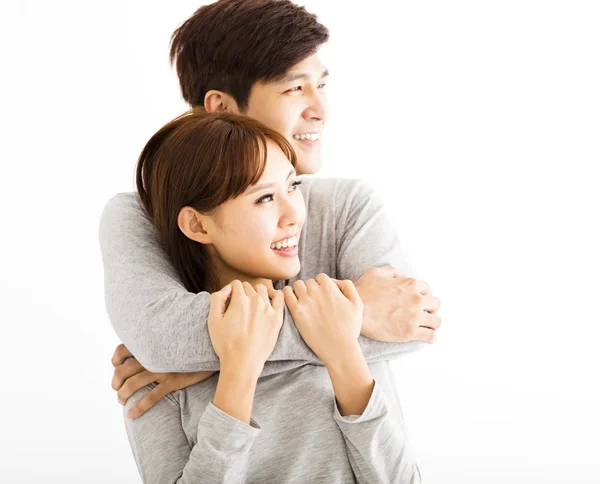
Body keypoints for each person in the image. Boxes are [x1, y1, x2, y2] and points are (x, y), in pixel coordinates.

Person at [102, 0, 441, 420]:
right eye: (294, 88)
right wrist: (355, 316)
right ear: (221, 108)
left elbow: (411, 324)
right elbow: (159, 338)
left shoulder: (349, 205)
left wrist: (216, 359)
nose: (320, 109)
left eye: (322, 85)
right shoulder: (141, 213)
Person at [125, 107, 420, 483]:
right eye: (264, 198)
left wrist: (342, 353)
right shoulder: (156, 372)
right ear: (198, 224)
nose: (294, 214)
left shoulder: (335, 318)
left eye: (293, 186)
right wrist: (238, 372)